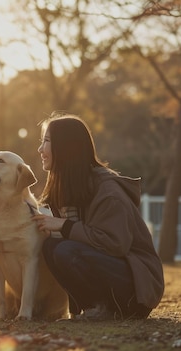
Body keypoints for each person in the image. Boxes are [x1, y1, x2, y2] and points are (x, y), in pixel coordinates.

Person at [31, 113, 164, 320]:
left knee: (67, 249)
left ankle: (110, 309)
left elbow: (115, 244)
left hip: (137, 289)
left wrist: (64, 226)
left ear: (66, 147)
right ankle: (91, 310)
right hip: (115, 276)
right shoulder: (69, 188)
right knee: (51, 247)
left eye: (46, 141)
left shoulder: (108, 192)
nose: (40, 149)